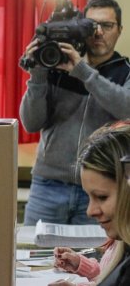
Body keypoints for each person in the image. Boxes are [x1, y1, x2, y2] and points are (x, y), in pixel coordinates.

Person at [19, 0, 130, 225]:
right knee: (34, 257)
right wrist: (38, 75)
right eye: (92, 25)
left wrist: (82, 71)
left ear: (119, 29)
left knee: (94, 259)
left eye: (107, 25)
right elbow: (31, 123)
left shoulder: (126, 72)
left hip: (101, 188)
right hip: (48, 185)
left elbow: (126, 108)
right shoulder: (56, 66)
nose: (98, 33)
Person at [48, 121, 130, 286]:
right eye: (89, 197)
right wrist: (80, 264)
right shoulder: (121, 247)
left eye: (101, 197)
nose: (90, 211)